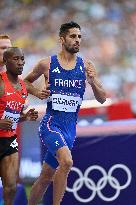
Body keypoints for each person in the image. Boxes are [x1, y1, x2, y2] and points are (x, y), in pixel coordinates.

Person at [25, 21, 106, 205]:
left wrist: (92, 82)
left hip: (70, 131)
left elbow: (102, 99)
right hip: (51, 125)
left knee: (46, 177)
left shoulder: (86, 65)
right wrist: (38, 92)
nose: (77, 40)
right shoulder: (47, 64)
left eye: (79, 37)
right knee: (67, 162)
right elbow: (26, 83)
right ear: (62, 39)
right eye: (73, 36)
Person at [0, 47, 38, 205]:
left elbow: (12, 117)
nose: (20, 62)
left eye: (22, 59)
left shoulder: (22, 86)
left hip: (9, 140)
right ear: (5, 62)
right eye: (15, 59)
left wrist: (25, 117)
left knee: (11, 187)